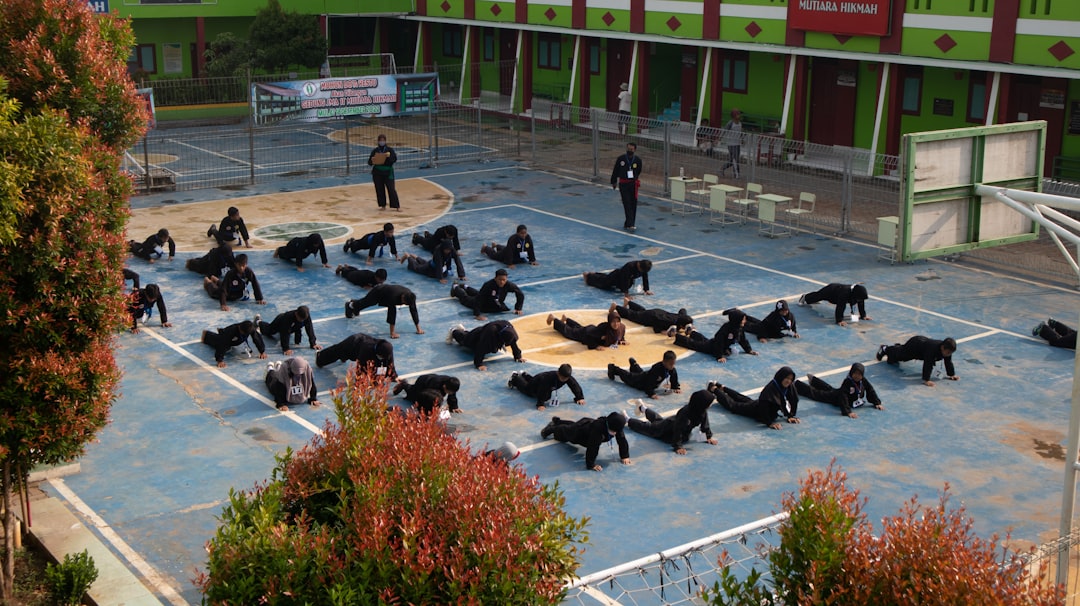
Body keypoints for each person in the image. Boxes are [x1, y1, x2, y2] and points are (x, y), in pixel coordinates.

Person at [709, 367, 801, 430]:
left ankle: (722, 387)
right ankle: (714, 389)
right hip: (757, 410)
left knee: (742, 398)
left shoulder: (789, 386)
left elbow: (793, 400)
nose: (788, 381)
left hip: (760, 404)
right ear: (781, 377)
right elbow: (763, 409)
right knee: (734, 406)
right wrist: (769, 423)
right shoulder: (770, 389)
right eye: (786, 378)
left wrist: (791, 415)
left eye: (790, 379)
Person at [629, 390, 718, 455]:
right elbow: (678, 429)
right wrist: (678, 446)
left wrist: (708, 436)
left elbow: (705, 424)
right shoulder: (685, 415)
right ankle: (627, 419)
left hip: (673, 422)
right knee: (648, 428)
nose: (710, 405)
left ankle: (642, 408)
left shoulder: (701, 411)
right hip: (666, 429)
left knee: (658, 420)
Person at [540, 411, 631, 472]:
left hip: (587, 427)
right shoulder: (598, 430)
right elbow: (593, 447)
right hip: (580, 433)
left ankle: (558, 421)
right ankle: (551, 428)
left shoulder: (616, 426)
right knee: (564, 434)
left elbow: (622, 440)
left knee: (571, 426)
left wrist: (624, 455)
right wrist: (591, 465)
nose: (616, 433)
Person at [795, 363, 882, 418]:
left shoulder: (863, 381)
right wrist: (847, 412)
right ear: (851, 373)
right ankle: (798, 385)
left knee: (830, 389)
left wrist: (876, 402)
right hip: (836, 398)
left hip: (841, 394)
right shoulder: (847, 382)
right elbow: (843, 396)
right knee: (818, 394)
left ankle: (814, 380)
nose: (857, 376)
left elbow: (870, 390)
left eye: (859, 374)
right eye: (855, 373)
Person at [673, 308, 757, 363]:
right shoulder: (726, 328)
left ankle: (691, 332)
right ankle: (676, 336)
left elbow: (743, 339)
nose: (745, 321)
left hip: (719, 345)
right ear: (737, 320)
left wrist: (748, 350)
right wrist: (719, 356)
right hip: (712, 347)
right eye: (743, 319)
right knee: (695, 344)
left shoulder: (739, 328)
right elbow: (719, 342)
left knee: (703, 339)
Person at [345, 283, 424, 338]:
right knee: (367, 302)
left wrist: (418, 329)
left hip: (387, 294)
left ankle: (356, 306)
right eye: (403, 301)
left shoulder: (411, 297)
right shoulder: (394, 296)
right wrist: (392, 333)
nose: (403, 303)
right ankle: (350, 305)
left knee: (365, 303)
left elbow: (413, 311)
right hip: (378, 292)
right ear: (403, 296)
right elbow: (392, 313)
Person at [876, 336, 958, 387]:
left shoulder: (947, 351)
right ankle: (885, 348)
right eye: (948, 352)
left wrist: (951, 374)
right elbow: (928, 364)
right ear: (942, 347)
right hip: (915, 345)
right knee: (902, 356)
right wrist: (926, 380)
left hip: (922, 350)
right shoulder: (932, 349)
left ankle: (897, 348)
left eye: (950, 353)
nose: (949, 354)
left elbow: (948, 362)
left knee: (893, 359)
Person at [447, 320, 524, 371]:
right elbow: (481, 347)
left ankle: (463, 331)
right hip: (478, 335)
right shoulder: (491, 332)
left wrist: (518, 356)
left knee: (492, 348)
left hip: (488, 334)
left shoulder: (511, 333)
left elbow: (513, 343)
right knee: (465, 342)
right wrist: (479, 364)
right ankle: (454, 331)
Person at [451, 268, 524, 321]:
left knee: (477, 292)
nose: (502, 282)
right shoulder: (488, 285)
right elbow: (479, 298)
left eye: (504, 280)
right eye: (500, 279)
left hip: (495, 303)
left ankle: (465, 287)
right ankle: (455, 287)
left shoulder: (508, 285)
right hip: (484, 304)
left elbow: (520, 294)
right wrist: (477, 314)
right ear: (495, 278)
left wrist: (518, 308)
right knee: (466, 299)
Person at [315, 332, 396, 379]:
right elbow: (360, 367)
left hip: (363, 348)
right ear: (378, 353)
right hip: (353, 344)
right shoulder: (367, 350)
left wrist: (393, 376)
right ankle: (320, 357)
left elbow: (390, 363)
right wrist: (361, 382)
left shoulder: (387, 349)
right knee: (337, 351)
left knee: (378, 366)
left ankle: (343, 358)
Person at [508, 363, 586, 410]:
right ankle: (515, 378)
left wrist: (579, 397)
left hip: (540, 380)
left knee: (547, 396)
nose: (564, 380)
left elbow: (574, 385)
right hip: (537, 383)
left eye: (566, 378)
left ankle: (525, 375)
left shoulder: (567, 377)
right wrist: (540, 404)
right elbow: (542, 390)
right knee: (527, 390)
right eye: (562, 378)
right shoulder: (548, 379)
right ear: (558, 373)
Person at [607, 351, 681, 399]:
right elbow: (649, 382)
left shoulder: (671, 368)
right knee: (628, 376)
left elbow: (674, 376)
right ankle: (613, 368)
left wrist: (675, 387)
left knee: (640, 373)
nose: (673, 366)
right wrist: (651, 393)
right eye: (671, 364)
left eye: (674, 363)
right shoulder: (656, 369)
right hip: (640, 382)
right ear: (664, 362)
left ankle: (634, 364)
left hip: (645, 375)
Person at [547, 309, 625, 350]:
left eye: (618, 322)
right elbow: (589, 337)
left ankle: (566, 319)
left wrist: (621, 340)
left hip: (591, 329)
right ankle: (554, 318)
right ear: (609, 321)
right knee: (570, 332)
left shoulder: (621, 327)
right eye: (613, 322)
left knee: (578, 328)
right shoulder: (603, 328)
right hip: (587, 333)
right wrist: (596, 346)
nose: (616, 324)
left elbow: (619, 335)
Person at [798, 283, 871, 326]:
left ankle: (809, 299)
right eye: (860, 299)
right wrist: (839, 320)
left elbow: (861, 303)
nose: (860, 300)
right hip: (831, 291)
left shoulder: (858, 295)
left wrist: (863, 315)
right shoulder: (845, 293)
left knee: (818, 297)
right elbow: (840, 306)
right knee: (818, 296)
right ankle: (805, 297)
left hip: (838, 295)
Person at [615, 296, 694, 336]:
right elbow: (657, 325)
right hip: (653, 317)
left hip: (659, 312)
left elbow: (683, 310)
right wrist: (663, 332)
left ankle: (629, 302)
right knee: (634, 316)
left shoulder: (681, 317)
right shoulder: (669, 322)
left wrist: (689, 322)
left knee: (642, 311)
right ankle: (616, 307)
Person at [201, 320, 266, 368]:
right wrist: (219, 360)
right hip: (227, 335)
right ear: (240, 329)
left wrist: (262, 351)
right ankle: (207, 335)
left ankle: (221, 331)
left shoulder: (250, 328)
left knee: (237, 342)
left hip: (238, 338)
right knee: (223, 344)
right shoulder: (231, 331)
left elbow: (257, 338)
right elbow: (222, 345)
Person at [400, 238, 466, 284]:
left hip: (438, 265)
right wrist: (440, 278)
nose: (447, 251)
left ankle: (416, 257)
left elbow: (457, 260)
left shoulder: (451, 250)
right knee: (417, 268)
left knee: (425, 263)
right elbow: (439, 264)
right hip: (431, 268)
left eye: (449, 250)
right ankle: (408, 256)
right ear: (443, 248)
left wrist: (461, 275)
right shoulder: (438, 250)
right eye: (446, 250)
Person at [610, 142, 643, 231]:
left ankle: (628, 222)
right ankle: (631, 224)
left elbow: (639, 170)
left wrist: (634, 178)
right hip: (624, 184)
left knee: (633, 203)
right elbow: (615, 170)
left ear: (635, 150)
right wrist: (613, 181)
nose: (630, 151)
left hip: (633, 184)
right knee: (626, 203)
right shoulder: (621, 159)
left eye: (631, 149)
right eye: (628, 149)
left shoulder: (637, 160)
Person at [393, 374, 463, 413]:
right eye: (449, 392)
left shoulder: (451, 384)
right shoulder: (435, 385)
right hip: (423, 382)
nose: (450, 393)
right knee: (413, 397)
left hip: (431, 380)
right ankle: (404, 384)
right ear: (444, 386)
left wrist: (453, 406)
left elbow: (452, 394)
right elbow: (427, 397)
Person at [583, 259, 652, 296]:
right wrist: (626, 293)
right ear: (639, 265)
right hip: (616, 276)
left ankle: (596, 274)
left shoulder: (644, 268)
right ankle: (588, 276)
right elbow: (625, 279)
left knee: (609, 283)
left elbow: (645, 277)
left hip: (626, 279)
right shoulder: (629, 266)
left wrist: (646, 290)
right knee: (603, 284)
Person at [369, 134, 400, 211]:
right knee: (379, 189)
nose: (381, 142)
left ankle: (396, 206)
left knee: (391, 189)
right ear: (378, 141)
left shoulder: (390, 150)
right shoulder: (375, 151)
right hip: (377, 172)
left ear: (385, 141)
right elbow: (369, 162)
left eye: (383, 140)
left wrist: (388, 157)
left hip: (387, 172)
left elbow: (394, 160)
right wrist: (373, 160)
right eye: (380, 140)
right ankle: (382, 205)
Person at [720, 108, 743, 178]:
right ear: (734, 116)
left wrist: (742, 139)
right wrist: (719, 138)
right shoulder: (730, 123)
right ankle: (736, 174)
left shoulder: (740, 123)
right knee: (735, 159)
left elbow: (740, 132)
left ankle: (722, 168)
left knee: (732, 160)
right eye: (738, 114)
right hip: (731, 144)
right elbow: (725, 130)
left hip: (737, 143)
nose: (739, 116)